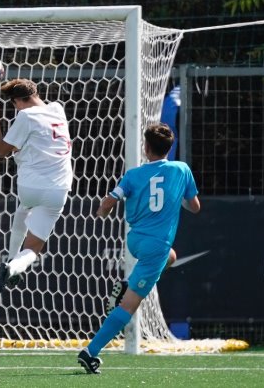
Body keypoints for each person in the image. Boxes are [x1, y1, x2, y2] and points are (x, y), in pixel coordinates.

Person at [78, 123, 200, 374]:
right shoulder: (182, 170)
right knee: (128, 306)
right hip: (156, 246)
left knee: (172, 257)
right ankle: (90, 352)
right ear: (170, 147)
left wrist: (103, 211)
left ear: (146, 148)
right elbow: (195, 206)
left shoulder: (133, 175)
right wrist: (176, 199)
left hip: (135, 241)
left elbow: (110, 201)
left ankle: (126, 284)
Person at [0, 79, 73, 301]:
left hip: (30, 186)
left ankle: (10, 262)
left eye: (14, 104)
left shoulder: (25, 116)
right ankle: (13, 266)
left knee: (23, 209)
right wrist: (0, 142)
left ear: (16, 101)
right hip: (58, 189)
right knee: (33, 248)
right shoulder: (57, 109)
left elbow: (4, 152)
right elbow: (37, 141)